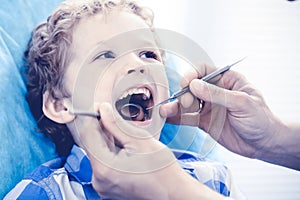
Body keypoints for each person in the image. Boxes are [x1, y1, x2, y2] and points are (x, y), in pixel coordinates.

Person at [5, 0, 245, 199]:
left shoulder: (211, 178)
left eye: (148, 54)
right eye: (105, 55)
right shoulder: (42, 194)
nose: (137, 65)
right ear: (60, 104)